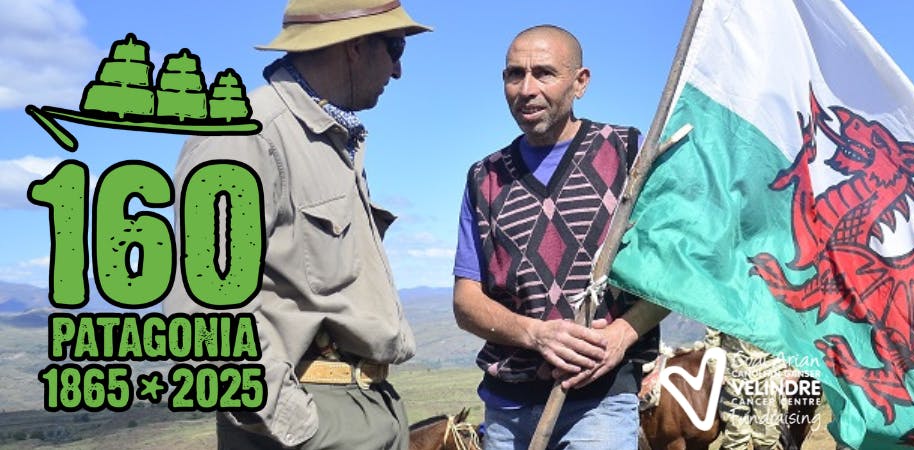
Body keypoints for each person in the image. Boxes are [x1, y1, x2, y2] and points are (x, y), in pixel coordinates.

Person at [163, 1, 430, 448]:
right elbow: (203, 307)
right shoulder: (245, 135)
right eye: (395, 47)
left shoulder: (329, 139)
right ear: (355, 46)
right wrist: (300, 427)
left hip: (361, 407)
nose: (399, 70)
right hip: (309, 422)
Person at [451, 24, 667, 449]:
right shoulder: (485, 178)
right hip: (505, 410)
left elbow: (670, 268)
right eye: (515, 74)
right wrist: (536, 334)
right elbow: (466, 302)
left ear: (580, 83)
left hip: (598, 403)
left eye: (544, 73)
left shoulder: (627, 153)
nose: (526, 88)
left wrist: (620, 335)